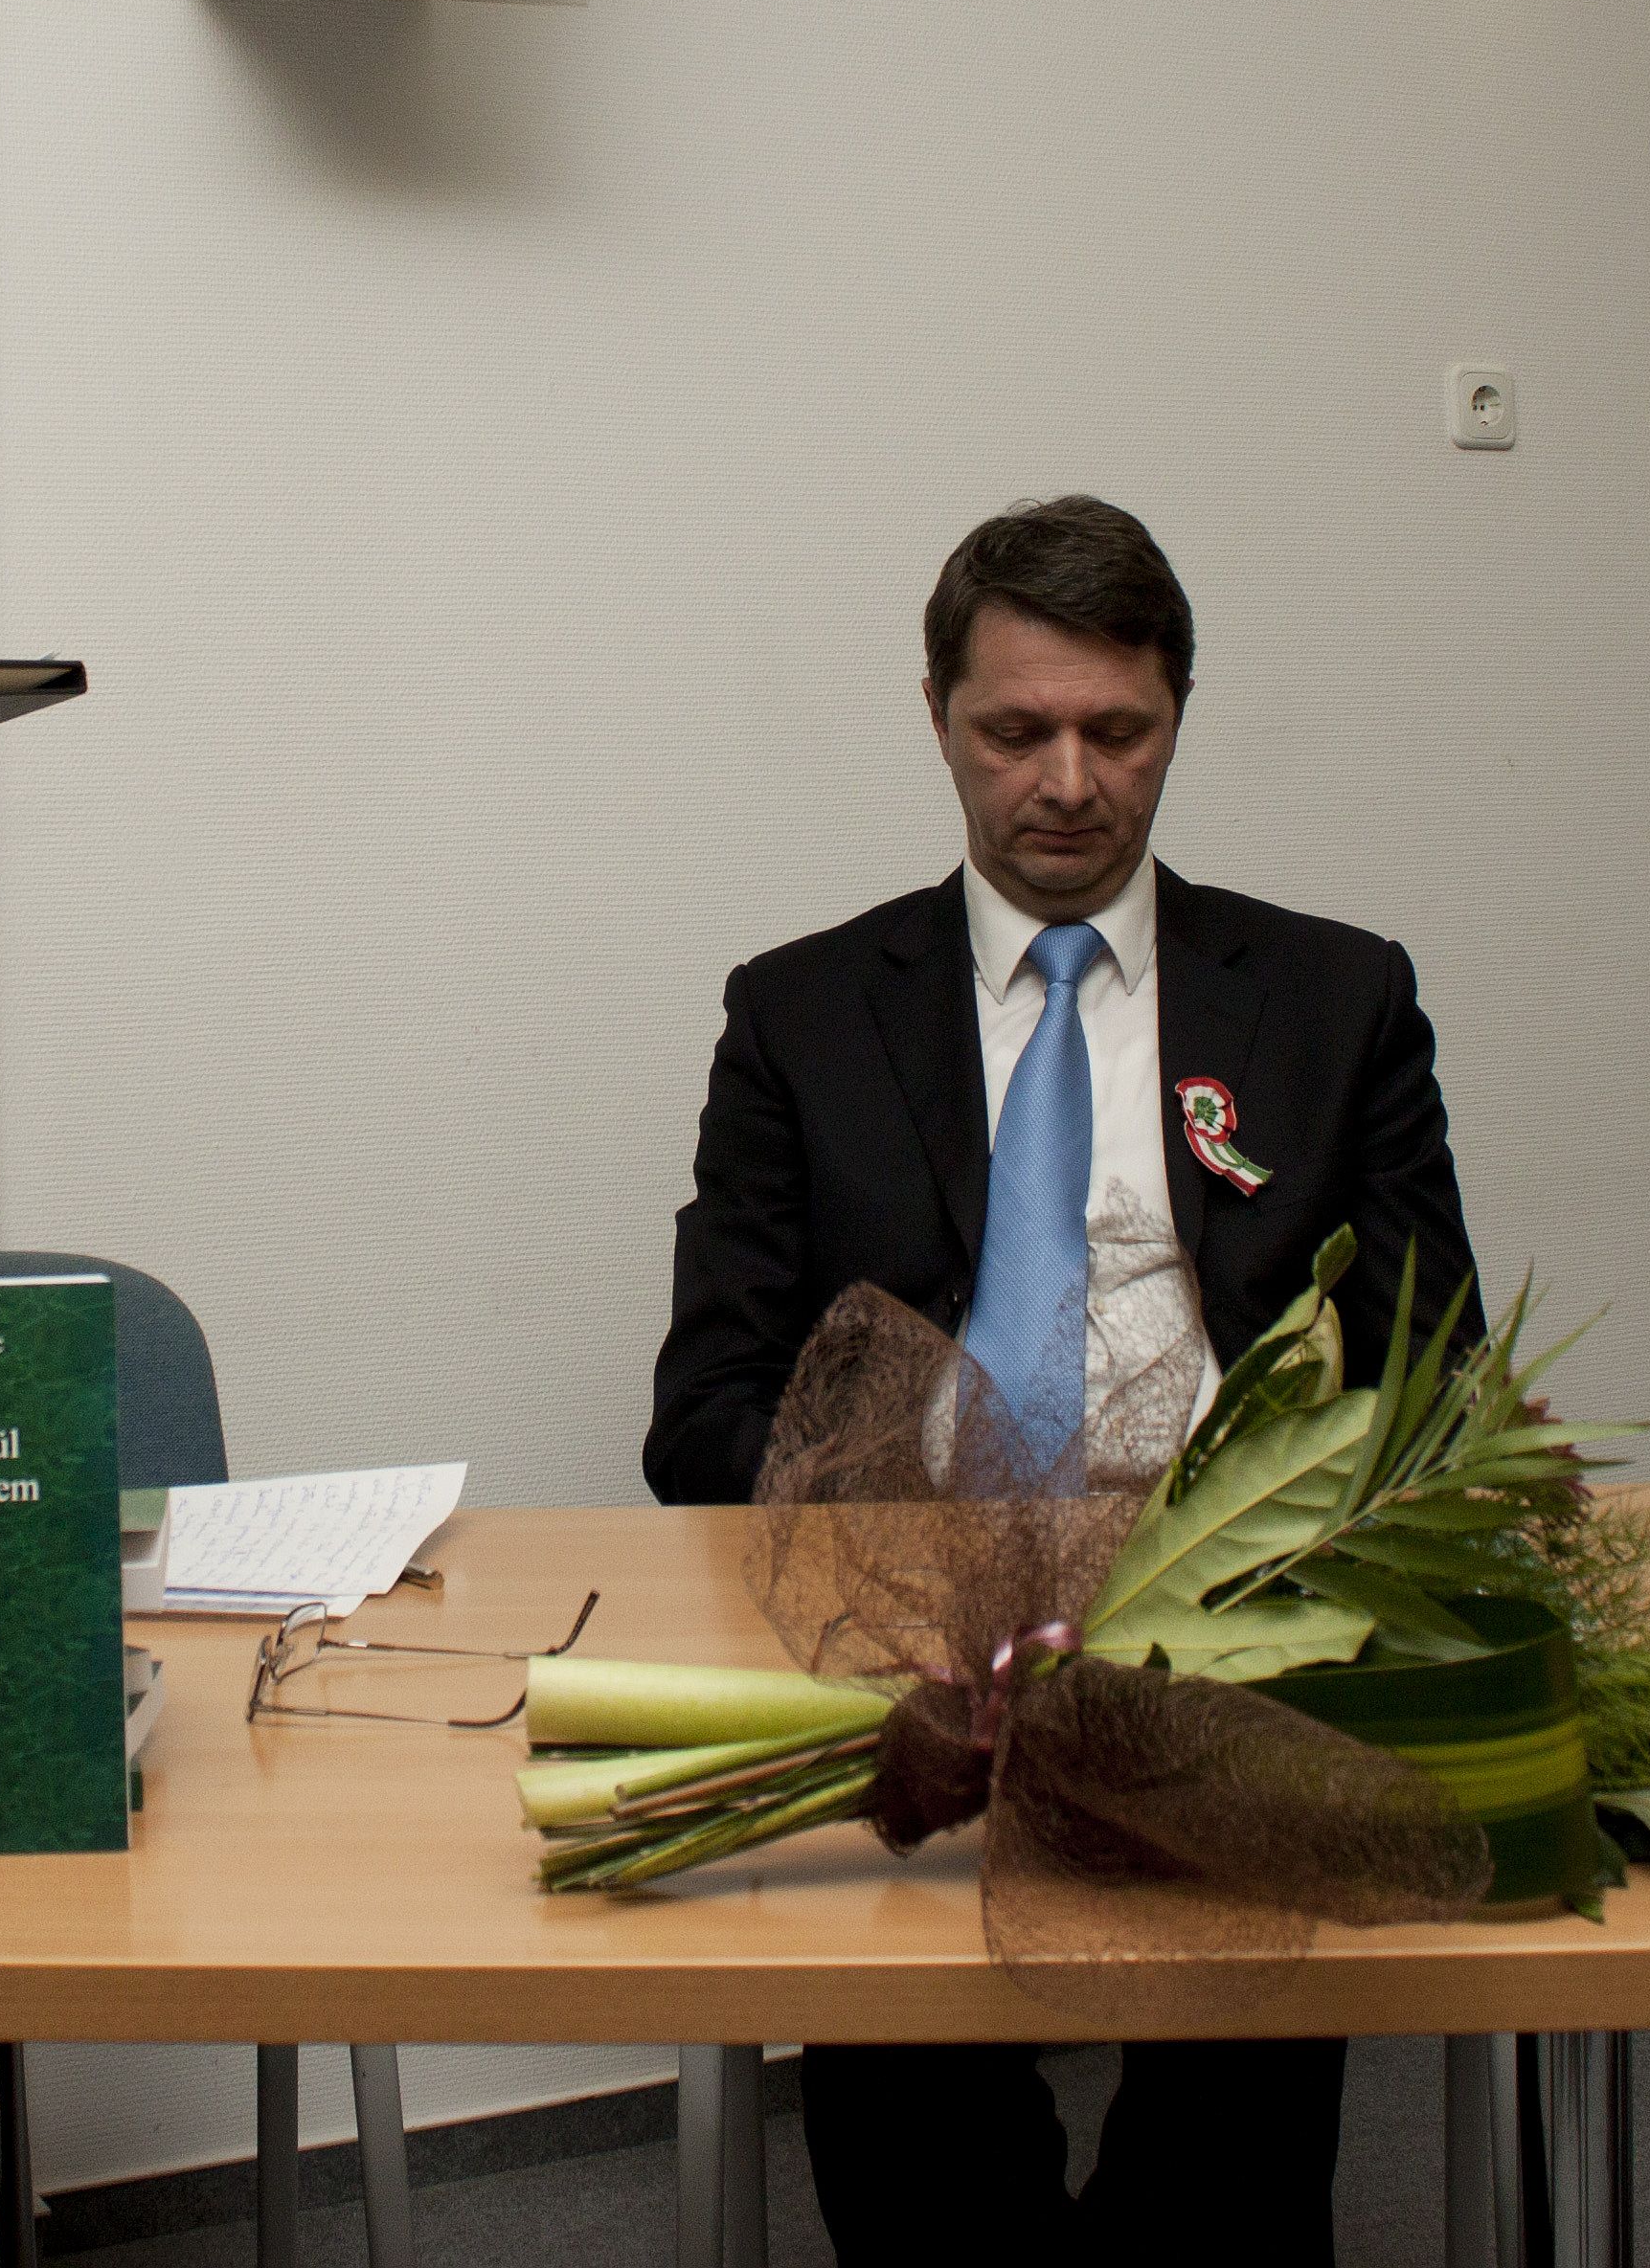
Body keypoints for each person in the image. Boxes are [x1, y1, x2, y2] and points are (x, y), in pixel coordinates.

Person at [644, 494, 1478, 2267]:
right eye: (1016, 732)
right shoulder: (802, 1014)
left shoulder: (1334, 998)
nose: (1072, 783)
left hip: (1241, 1623)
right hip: (916, 1627)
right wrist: (928, 1513)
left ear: (1180, 714)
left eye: (1121, 731)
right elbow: (704, 1411)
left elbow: (1435, 1372)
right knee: (922, 2150)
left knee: (1233, 2157)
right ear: (937, 715)